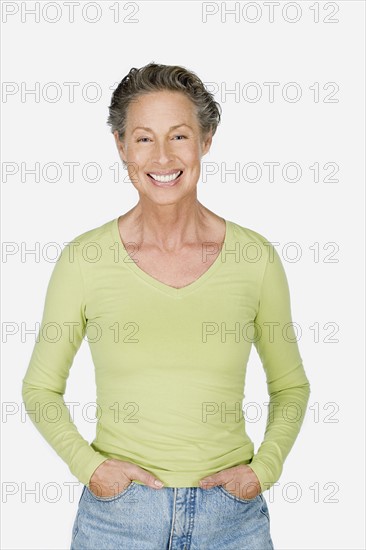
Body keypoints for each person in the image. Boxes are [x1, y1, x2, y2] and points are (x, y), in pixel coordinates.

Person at [22, 62, 311, 550]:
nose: (161, 156)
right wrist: (90, 469)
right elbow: (39, 389)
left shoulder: (254, 257)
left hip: (232, 520)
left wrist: (264, 470)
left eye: (179, 136)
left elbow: (290, 386)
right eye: (143, 139)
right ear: (120, 146)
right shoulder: (85, 260)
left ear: (206, 140)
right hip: (118, 520)